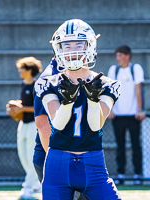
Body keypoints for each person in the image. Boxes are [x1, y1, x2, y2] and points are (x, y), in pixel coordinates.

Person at [35, 19, 121, 200]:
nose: (72, 50)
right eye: (66, 45)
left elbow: (95, 124)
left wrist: (92, 100)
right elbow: (57, 124)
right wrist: (67, 102)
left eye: (78, 44)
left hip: (93, 162)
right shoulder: (48, 83)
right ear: (58, 48)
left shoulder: (107, 84)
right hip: (57, 162)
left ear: (89, 45)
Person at [33, 58, 86, 200]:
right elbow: (43, 124)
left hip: (79, 156)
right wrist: (58, 161)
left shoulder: (78, 73)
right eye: (70, 45)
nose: (77, 51)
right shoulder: (49, 79)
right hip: (58, 157)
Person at [107, 45, 146, 185]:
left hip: (133, 115)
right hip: (117, 116)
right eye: (117, 55)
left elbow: (138, 90)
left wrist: (140, 110)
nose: (118, 58)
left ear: (127, 56)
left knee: (136, 145)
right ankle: (120, 174)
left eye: (120, 55)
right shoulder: (113, 70)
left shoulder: (136, 69)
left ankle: (137, 174)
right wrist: (110, 110)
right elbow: (110, 91)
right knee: (120, 146)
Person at [7, 57, 42, 199]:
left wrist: (22, 108)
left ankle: (28, 187)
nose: (20, 71)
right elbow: (25, 104)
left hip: (34, 125)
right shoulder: (23, 84)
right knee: (23, 156)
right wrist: (15, 106)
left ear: (29, 70)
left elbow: (39, 108)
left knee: (31, 156)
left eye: (22, 68)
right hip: (23, 124)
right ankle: (35, 185)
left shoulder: (37, 86)